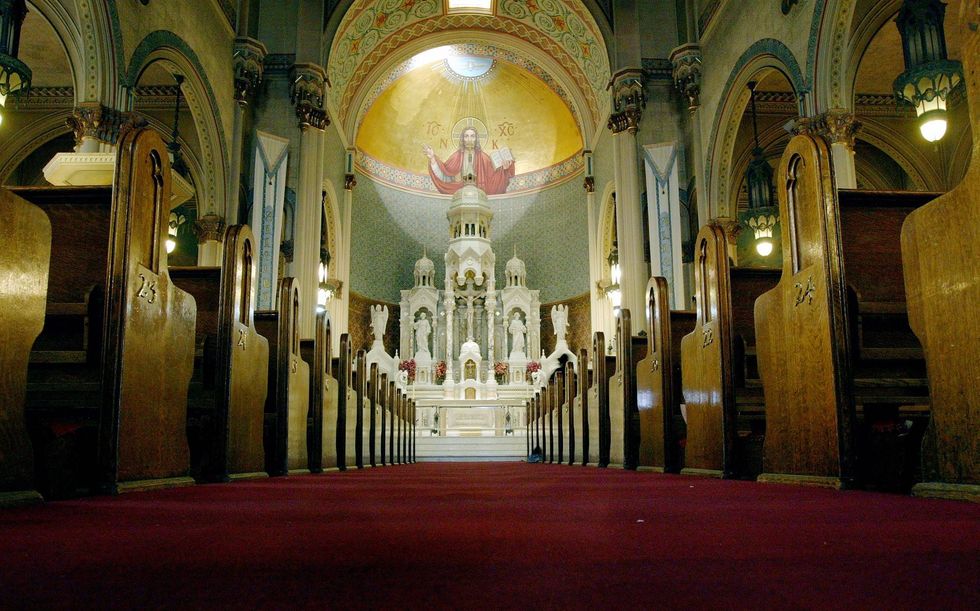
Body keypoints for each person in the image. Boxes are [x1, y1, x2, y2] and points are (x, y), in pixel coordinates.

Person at [423, 126, 515, 195]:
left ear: (476, 139)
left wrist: (504, 169)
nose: (469, 139)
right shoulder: (456, 157)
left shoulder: (483, 157)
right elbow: (445, 177)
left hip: (479, 195)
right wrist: (433, 158)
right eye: (466, 136)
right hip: (459, 194)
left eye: (472, 136)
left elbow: (493, 179)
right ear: (462, 139)